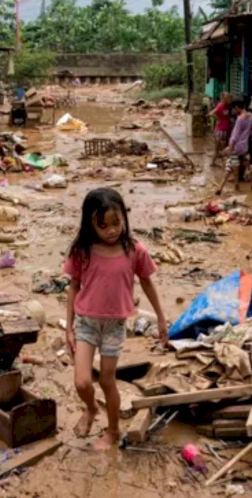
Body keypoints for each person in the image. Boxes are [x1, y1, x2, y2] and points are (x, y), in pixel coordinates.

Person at [63, 188, 168, 451]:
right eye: (103, 225)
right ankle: (90, 408)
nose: (111, 230)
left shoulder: (134, 250)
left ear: (124, 218)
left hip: (115, 326)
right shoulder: (82, 251)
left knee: (107, 380)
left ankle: (112, 431)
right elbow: (74, 287)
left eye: (116, 223)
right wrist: (69, 328)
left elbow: (147, 284)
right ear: (90, 224)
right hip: (86, 323)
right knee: (82, 382)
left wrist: (161, 318)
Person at [216, 99, 252, 195]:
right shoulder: (250, 116)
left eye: (234, 109)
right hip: (244, 146)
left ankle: (227, 187)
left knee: (230, 167)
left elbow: (235, 135)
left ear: (237, 108)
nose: (234, 111)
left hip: (236, 146)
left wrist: (230, 147)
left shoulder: (240, 119)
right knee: (233, 164)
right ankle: (227, 186)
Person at [208, 92, 234, 167]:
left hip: (226, 129)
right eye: (228, 98)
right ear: (224, 98)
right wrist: (219, 119)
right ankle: (224, 164)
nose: (230, 99)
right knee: (222, 148)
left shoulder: (227, 106)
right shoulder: (221, 106)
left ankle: (214, 162)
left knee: (222, 148)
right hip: (221, 130)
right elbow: (211, 113)